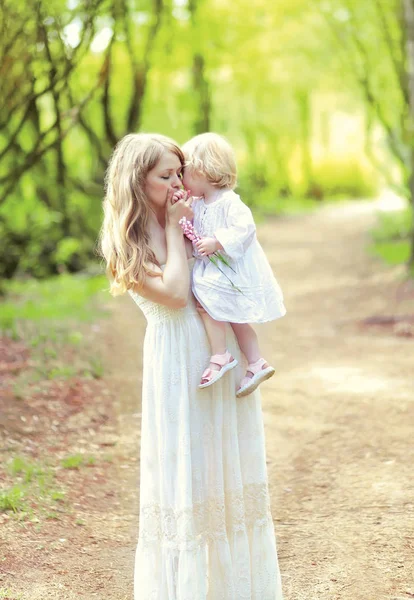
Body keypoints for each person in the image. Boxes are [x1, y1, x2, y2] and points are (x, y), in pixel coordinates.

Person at [99, 132, 283, 599]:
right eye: (166, 175)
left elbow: (235, 252)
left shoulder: (193, 213)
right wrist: (178, 232)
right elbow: (176, 293)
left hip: (220, 356)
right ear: (137, 182)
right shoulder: (127, 240)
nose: (178, 182)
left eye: (180, 171)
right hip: (177, 363)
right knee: (189, 476)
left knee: (227, 466)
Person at [176, 132, 286, 397]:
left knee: (207, 305)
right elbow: (191, 230)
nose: (181, 180)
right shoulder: (199, 203)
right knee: (234, 319)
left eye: (184, 173)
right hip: (215, 268)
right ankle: (256, 362)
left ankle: (220, 355)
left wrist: (217, 241)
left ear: (201, 171)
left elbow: (245, 228)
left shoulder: (228, 202)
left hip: (228, 269)